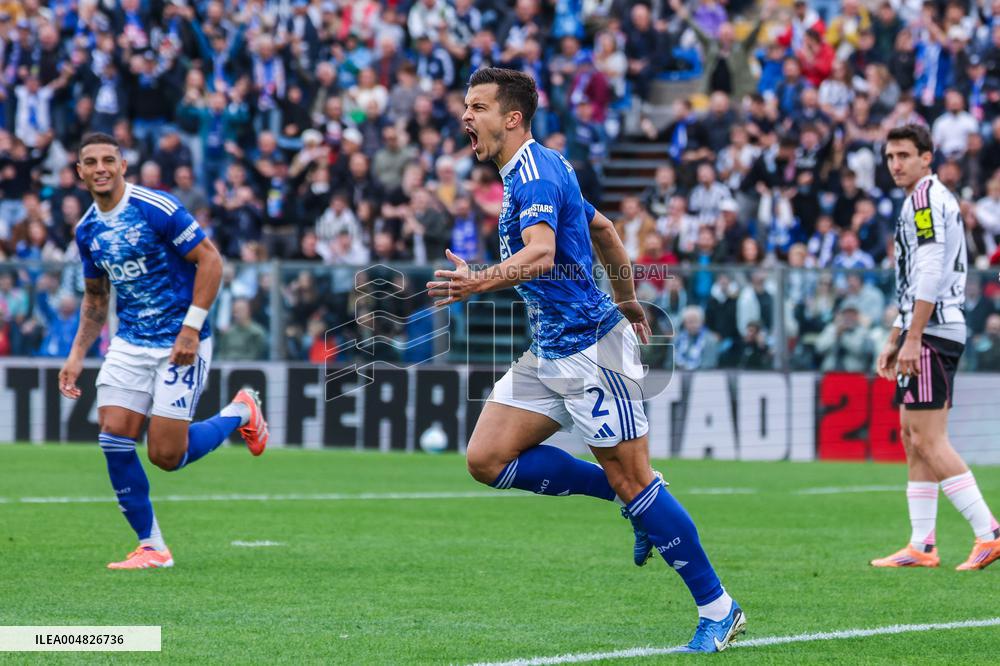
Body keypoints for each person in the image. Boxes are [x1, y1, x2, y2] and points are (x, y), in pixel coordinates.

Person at [426, 68, 745, 652]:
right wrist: (628, 298)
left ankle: (719, 607)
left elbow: (543, 254)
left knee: (636, 479)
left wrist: (476, 284)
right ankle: (624, 501)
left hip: (592, 353)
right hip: (552, 347)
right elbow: (604, 228)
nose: (466, 117)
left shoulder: (534, 174)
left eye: (477, 107)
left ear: (512, 117)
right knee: (487, 458)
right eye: (467, 106)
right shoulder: (542, 168)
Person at [57, 133, 270, 571]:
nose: (100, 168)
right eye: (91, 162)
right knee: (113, 434)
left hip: (180, 343)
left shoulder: (156, 208)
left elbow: (210, 260)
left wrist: (190, 329)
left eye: (108, 160)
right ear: (79, 172)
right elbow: (96, 298)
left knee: (166, 457)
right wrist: (77, 354)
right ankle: (151, 546)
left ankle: (241, 411)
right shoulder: (87, 230)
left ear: (122, 166)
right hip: (131, 342)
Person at [872, 125, 1000, 571]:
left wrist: (911, 337)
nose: (896, 164)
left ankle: (990, 533)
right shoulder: (922, 198)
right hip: (926, 328)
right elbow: (915, 281)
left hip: (933, 330)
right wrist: (895, 335)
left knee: (928, 437)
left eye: (905, 155)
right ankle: (921, 544)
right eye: (890, 156)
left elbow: (929, 271)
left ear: (927, 158)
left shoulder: (925, 199)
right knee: (912, 436)